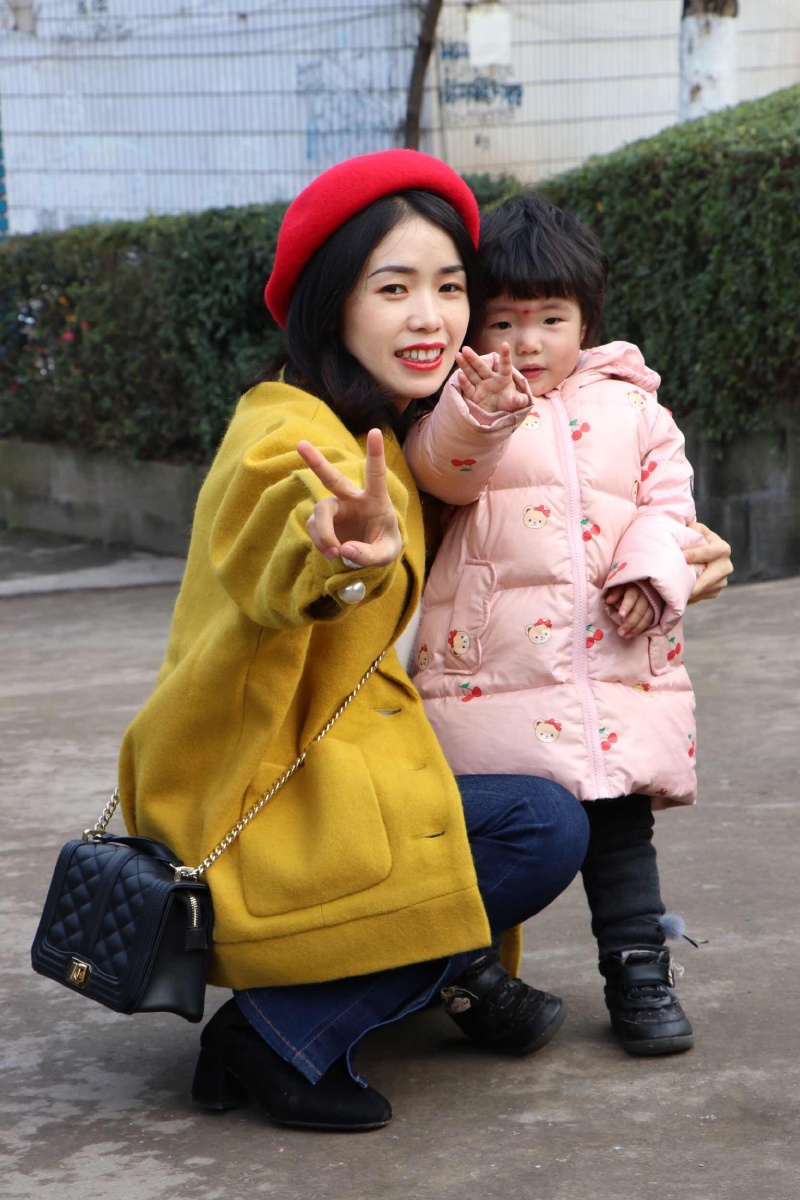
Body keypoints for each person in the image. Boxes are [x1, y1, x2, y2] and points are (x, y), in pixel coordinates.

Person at [117, 153, 590, 1133]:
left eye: (449, 288)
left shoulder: (387, 429)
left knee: (538, 778)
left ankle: (441, 975)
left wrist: (666, 554)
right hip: (261, 798)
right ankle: (280, 1034)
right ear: (332, 304)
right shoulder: (288, 439)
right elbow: (282, 544)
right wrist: (340, 555)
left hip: (334, 778)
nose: (431, 318)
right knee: (538, 827)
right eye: (393, 288)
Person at [404, 192, 729, 1058]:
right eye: (504, 321)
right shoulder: (461, 403)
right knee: (496, 834)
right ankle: (465, 976)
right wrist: (482, 409)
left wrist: (650, 573)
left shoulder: (635, 408)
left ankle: (639, 970)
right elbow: (442, 470)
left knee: (621, 831)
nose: (527, 342)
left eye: (551, 319)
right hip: (496, 676)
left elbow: (669, 506)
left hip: (613, 667)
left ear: (586, 319)